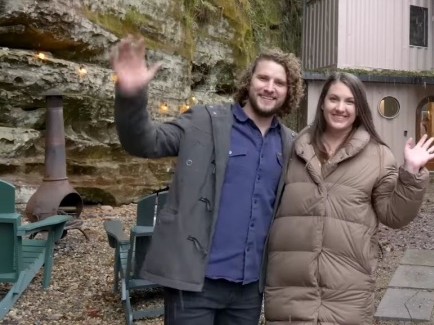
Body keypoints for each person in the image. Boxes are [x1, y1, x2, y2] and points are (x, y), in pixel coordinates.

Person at [110, 35, 304, 325]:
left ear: (290, 92)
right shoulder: (204, 121)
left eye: (279, 83)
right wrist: (131, 96)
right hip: (194, 285)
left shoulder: (290, 144)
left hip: (249, 290)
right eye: (263, 78)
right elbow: (146, 142)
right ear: (248, 81)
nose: (269, 87)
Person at [263, 72, 434, 324]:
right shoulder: (293, 147)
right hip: (290, 290)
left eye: (349, 101)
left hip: (348, 292)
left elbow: (394, 215)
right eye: (334, 99)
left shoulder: (378, 156)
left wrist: (411, 173)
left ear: (359, 109)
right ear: (322, 103)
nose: (340, 107)